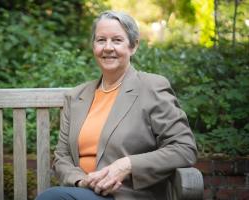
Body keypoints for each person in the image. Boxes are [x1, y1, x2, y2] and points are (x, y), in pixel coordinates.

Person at [36, 10, 197, 200]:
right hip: (81, 192)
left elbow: (184, 148)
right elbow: (62, 157)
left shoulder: (151, 87)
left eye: (117, 40)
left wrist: (127, 165)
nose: (108, 47)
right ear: (93, 46)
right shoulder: (76, 96)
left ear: (133, 46)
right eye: (101, 40)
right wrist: (81, 180)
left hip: (127, 195)